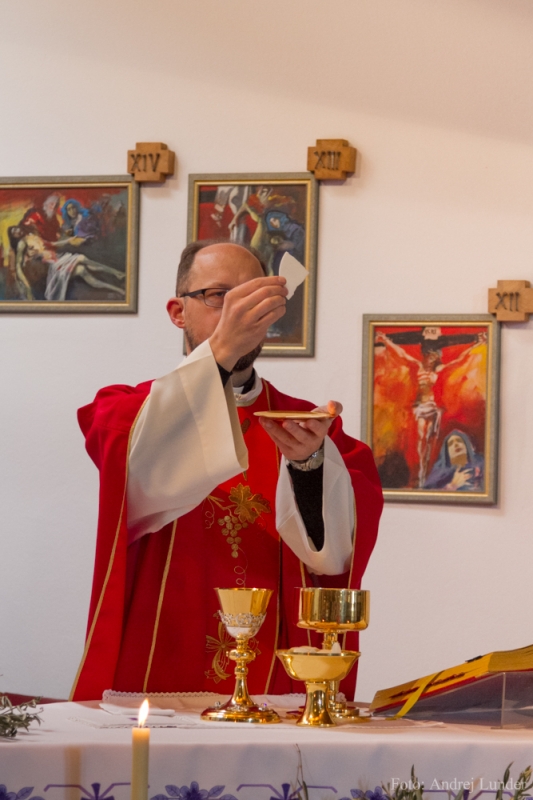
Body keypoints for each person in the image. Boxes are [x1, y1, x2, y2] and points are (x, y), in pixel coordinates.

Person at [70, 241, 383, 701]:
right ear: (178, 312)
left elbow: (333, 560)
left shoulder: (307, 426)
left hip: (272, 682)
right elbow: (143, 480)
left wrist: (309, 465)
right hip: (155, 674)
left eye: (254, 297)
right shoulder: (128, 415)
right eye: (220, 296)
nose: (241, 312)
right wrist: (220, 351)